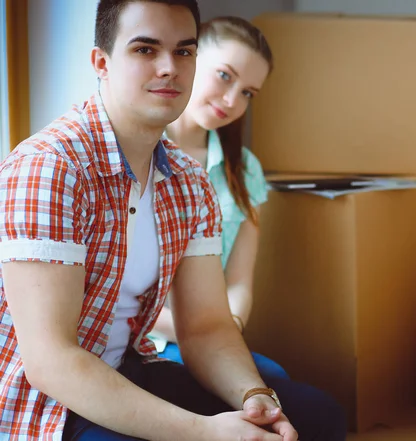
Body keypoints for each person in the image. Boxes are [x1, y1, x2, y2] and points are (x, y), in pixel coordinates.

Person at [0, 1, 345, 440]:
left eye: (184, 51)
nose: (169, 67)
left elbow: (205, 326)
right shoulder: (48, 168)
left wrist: (254, 395)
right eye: (145, 49)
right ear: (101, 62)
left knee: (319, 415)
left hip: (129, 368)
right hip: (49, 405)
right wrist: (207, 432)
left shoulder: (189, 180)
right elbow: (52, 361)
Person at [154, 16, 288, 381]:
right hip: (142, 342)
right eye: (225, 76)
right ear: (190, 59)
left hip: (213, 338)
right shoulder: (139, 151)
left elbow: (240, 280)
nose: (232, 101)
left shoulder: (244, 171)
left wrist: (227, 328)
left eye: (247, 92)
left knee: (285, 388)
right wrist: (199, 331)